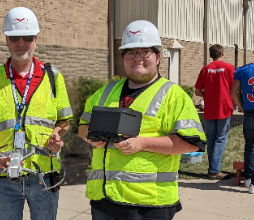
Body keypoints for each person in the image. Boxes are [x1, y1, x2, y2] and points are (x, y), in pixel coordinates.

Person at [78, 20, 206, 220]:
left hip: (148, 205)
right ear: (124, 58)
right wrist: (91, 138)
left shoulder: (174, 95)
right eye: (130, 52)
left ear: (157, 57)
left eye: (144, 52)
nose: (137, 58)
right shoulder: (106, 92)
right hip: (103, 200)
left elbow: (192, 144)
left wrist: (143, 143)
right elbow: (83, 127)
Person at [0, 7, 73, 220]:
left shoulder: (53, 77)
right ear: (6, 39)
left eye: (28, 37)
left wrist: (56, 136)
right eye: (15, 37)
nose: (21, 42)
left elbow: (64, 122)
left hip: (44, 176)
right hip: (3, 178)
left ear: (36, 39)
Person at [195, 44, 235, 180]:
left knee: (211, 138)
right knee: (221, 138)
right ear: (222, 54)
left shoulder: (205, 69)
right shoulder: (229, 68)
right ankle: (214, 170)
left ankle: (213, 168)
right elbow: (234, 89)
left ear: (210, 55)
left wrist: (208, 94)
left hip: (210, 107)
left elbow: (197, 91)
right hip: (224, 106)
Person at [231, 63, 254, 194]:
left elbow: (233, 92)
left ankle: (249, 177)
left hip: (249, 111)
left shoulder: (244, 70)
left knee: (250, 146)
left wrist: (241, 107)